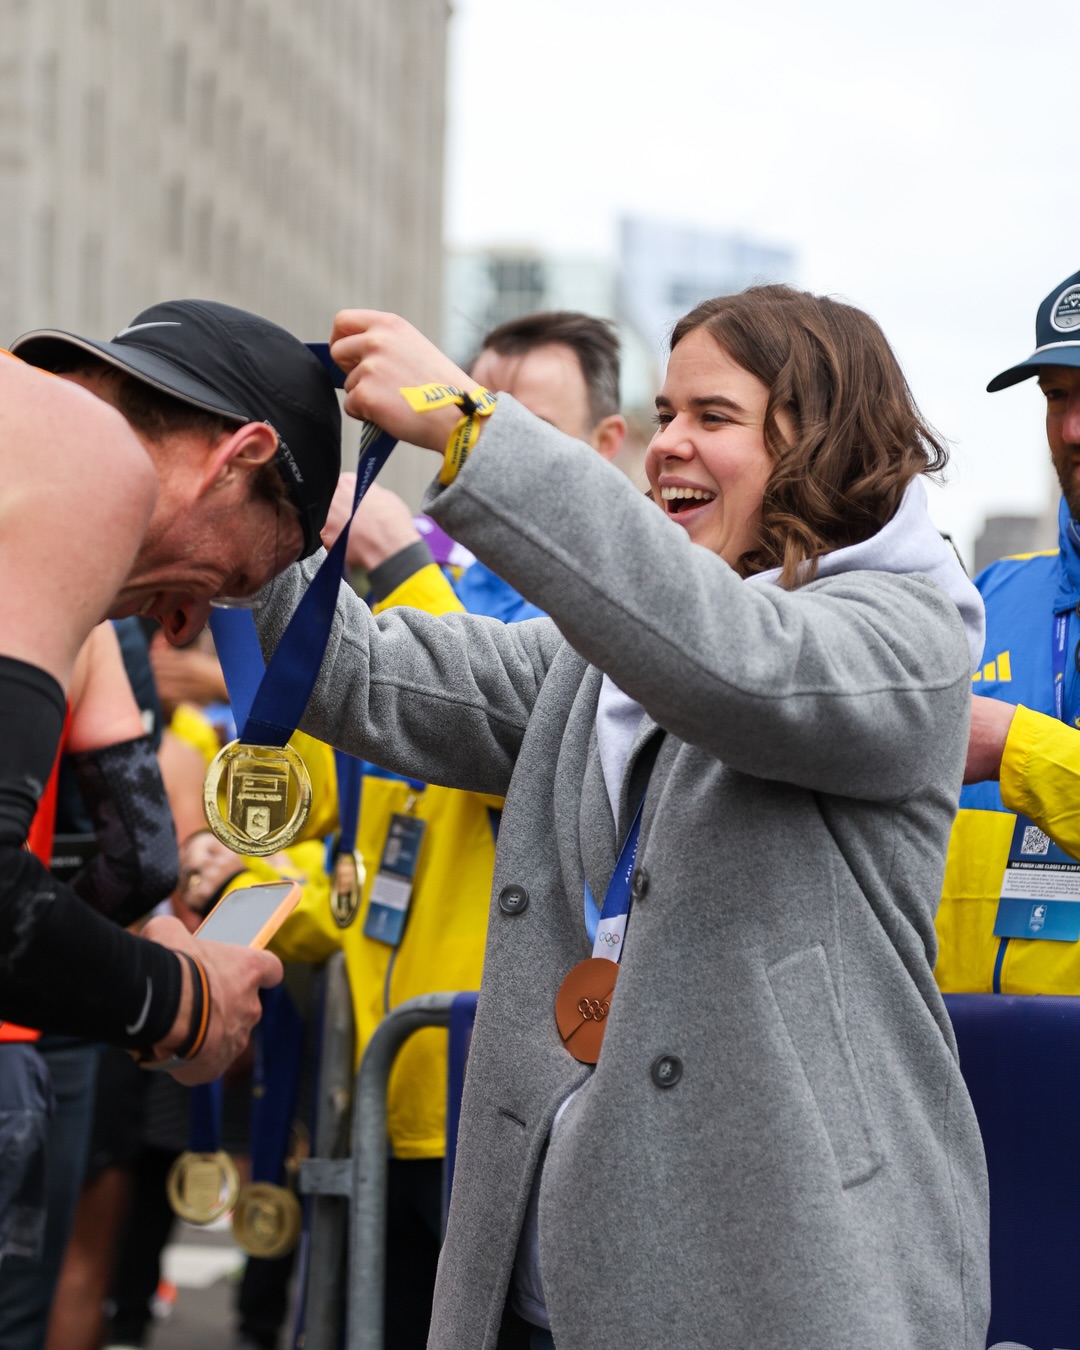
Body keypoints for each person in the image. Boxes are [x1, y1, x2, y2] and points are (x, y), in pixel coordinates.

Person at [255, 286, 991, 1349]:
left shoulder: (906, 635)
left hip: (789, 1285)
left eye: (714, 417)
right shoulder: (603, 658)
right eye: (664, 412)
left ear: (821, 442)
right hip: (549, 1283)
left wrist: (470, 427)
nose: (665, 447)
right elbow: (375, 676)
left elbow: (732, 665)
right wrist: (238, 506)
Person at [0, 298, 340, 1081]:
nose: (184, 625)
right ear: (240, 458)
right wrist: (187, 1003)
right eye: (231, 581)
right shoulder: (89, 456)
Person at [936, 266, 1080, 995]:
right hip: (967, 1074)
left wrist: (1014, 746)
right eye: (1057, 397)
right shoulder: (988, 596)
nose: (1073, 428)